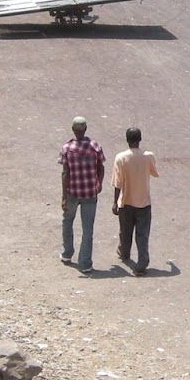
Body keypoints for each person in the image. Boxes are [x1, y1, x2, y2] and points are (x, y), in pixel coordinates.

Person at [59, 116, 104, 273]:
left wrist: (64, 197)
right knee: (87, 229)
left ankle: (67, 253)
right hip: (90, 193)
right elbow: (101, 167)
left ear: (73, 129)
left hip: (72, 192)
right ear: (85, 129)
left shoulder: (67, 148)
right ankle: (85, 262)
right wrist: (99, 183)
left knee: (67, 221)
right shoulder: (95, 146)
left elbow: (65, 173)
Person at [112, 126, 158, 275]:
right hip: (144, 202)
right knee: (142, 234)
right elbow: (154, 172)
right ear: (140, 139)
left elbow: (118, 183)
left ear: (127, 140)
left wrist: (115, 202)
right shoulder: (148, 156)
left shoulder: (120, 158)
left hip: (126, 201)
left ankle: (125, 253)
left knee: (125, 231)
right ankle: (142, 262)